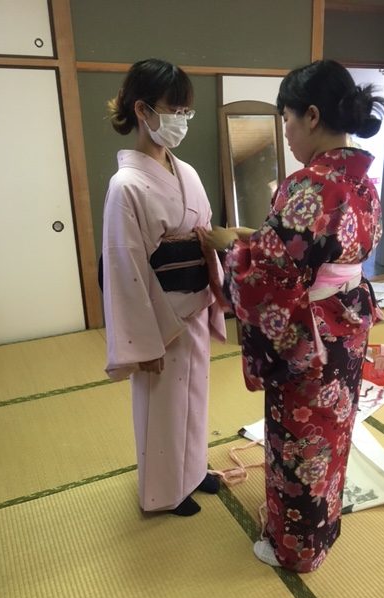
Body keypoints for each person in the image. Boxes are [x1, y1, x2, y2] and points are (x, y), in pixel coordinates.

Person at [201, 60, 384, 570]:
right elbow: (310, 251)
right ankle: (323, 530)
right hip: (347, 326)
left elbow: (268, 276)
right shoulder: (361, 180)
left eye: (286, 119)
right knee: (333, 434)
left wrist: (231, 248)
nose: (285, 132)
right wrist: (254, 239)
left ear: (311, 116)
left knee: (301, 442)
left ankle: (294, 549)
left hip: (311, 337)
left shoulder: (309, 185)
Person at [102, 58, 226, 517]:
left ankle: (191, 472)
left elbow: (204, 232)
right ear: (142, 110)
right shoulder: (126, 185)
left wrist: (216, 280)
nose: (182, 120)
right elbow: (125, 267)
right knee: (163, 407)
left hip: (195, 304)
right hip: (160, 315)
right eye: (174, 110)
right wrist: (143, 339)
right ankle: (163, 492)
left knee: (194, 398)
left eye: (186, 111)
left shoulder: (186, 172)